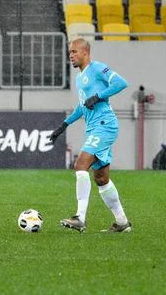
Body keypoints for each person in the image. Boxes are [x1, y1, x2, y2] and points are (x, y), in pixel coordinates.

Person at [49, 38, 131, 233]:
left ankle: (80, 217)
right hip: (94, 128)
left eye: (74, 51)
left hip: (105, 125)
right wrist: (64, 125)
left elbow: (121, 83)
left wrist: (99, 96)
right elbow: (83, 105)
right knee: (101, 179)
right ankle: (122, 222)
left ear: (86, 52)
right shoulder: (79, 78)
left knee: (80, 165)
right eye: (70, 52)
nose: (70, 55)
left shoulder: (97, 68)